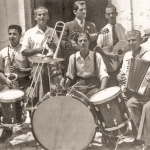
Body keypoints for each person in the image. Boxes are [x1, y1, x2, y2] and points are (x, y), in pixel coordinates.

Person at [21, 6, 63, 102]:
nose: (42, 17)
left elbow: (59, 51)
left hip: (52, 65)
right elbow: (23, 52)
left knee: (56, 91)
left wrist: (52, 46)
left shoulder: (52, 31)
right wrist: (38, 50)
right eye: (39, 15)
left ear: (48, 16)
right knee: (41, 95)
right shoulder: (29, 33)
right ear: (35, 17)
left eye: (44, 14)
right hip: (37, 66)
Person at [117, 30, 150, 150]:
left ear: (140, 40)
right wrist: (119, 76)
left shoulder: (148, 54)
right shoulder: (127, 55)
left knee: (141, 106)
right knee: (129, 104)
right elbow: (122, 73)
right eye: (129, 40)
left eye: (134, 40)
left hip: (147, 93)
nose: (131, 42)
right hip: (131, 91)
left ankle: (146, 140)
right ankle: (139, 138)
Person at [65, 31, 109, 98]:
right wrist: (64, 88)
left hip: (93, 86)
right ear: (77, 43)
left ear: (89, 42)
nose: (83, 43)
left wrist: (102, 89)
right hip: (79, 86)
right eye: (80, 41)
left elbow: (103, 74)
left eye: (85, 40)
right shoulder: (73, 57)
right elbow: (70, 76)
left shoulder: (96, 56)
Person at [61, 1, 98, 73]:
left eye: (85, 9)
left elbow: (95, 44)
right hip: (73, 60)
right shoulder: (68, 25)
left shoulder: (92, 25)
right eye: (81, 10)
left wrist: (93, 39)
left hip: (88, 61)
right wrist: (70, 44)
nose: (84, 11)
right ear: (75, 11)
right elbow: (61, 41)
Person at [97, 4, 127, 87]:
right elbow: (97, 48)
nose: (111, 15)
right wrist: (108, 54)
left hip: (123, 62)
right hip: (110, 65)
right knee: (113, 86)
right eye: (109, 14)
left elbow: (127, 44)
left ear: (116, 14)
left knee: (124, 85)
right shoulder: (104, 31)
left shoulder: (122, 28)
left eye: (113, 13)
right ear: (105, 16)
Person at [0, 25, 31, 91]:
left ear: (20, 35)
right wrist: (6, 81)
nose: (11, 36)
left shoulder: (25, 51)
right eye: (10, 34)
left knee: (31, 97)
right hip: (8, 84)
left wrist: (20, 70)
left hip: (24, 84)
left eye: (14, 34)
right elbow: (0, 71)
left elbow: (32, 69)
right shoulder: (2, 52)